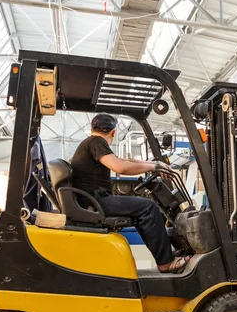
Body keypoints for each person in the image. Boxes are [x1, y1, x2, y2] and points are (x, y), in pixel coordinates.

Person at [71, 113, 190, 274]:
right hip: (94, 202)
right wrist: (153, 167)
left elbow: (126, 161)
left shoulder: (91, 143)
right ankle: (165, 263)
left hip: (92, 200)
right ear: (113, 132)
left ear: (91, 128)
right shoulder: (96, 142)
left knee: (142, 210)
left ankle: (165, 256)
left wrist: (155, 164)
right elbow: (120, 167)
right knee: (148, 207)